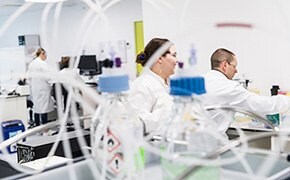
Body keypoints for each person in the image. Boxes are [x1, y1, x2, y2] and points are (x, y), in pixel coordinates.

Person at [202, 48, 290, 135]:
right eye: (234, 66)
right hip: (213, 144)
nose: (236, 71)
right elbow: (265, 106)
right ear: (225, 65)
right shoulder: (229, 88)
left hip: (191, 142)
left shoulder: (201, 80)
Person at [128, 38, 178, 135]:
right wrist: (171, 113)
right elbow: (137, 122)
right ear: (159, 58)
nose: (176, 61)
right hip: (153, 145)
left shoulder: (169, 82)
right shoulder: (143, 84)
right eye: (174, 55)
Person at [27, 48, 55, 127]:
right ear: (42, 54)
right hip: (43, 89)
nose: (46, 57)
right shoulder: (43, 64)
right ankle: (45, 129)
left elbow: (28, 78)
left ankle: (37, 126)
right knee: (43, 109)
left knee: (36, 108)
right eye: (45, 54)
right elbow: (48, 77)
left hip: (35, 89)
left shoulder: (31, 64)